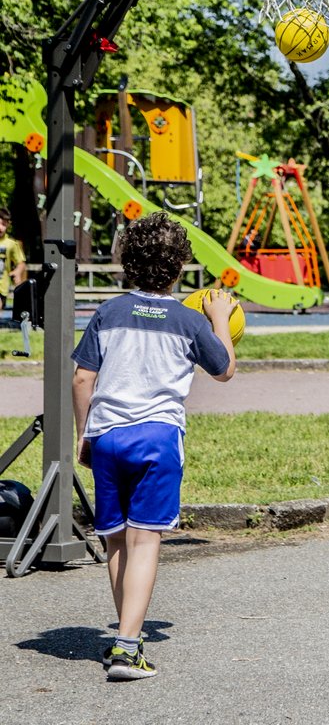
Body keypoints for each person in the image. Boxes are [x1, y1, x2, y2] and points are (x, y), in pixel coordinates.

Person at [72, 211, 237, 681]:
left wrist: (85, 434)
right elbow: (224, 369)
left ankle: (127, 638)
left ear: (126, 262)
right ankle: (127, 649)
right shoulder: (188, 320)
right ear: (179, 267)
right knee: (146, 541)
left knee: (116, 541)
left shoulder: (108, 312)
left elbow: (82, 377)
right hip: (157, 437)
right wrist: (220, 318)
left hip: (106, 437)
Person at [0, 205, 27, 309]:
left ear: (8, 225)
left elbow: (21, 263)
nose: (0, 227)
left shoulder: (11, 244)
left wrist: (17, 272)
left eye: (3, 224)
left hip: (2, 285)